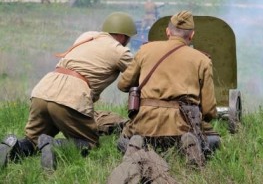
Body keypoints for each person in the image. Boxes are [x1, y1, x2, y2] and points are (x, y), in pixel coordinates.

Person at [0, 12, 136, 171]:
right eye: (128, 38)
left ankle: (13, 145)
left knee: (33, 141)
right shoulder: (120, 52)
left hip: (44, 89)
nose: (127, 42)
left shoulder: (87, 36)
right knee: (90, 144)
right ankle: (54, 145)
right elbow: (138, 76)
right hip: (71, 95)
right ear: (122, 36)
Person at [117, 10, 220, 167]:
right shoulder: (202, 60)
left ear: (167, 31)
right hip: (182, 124)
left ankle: (138, 143)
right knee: (213, 141)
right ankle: (187, 142)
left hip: (145, 121)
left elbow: (123, 85)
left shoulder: (145, 50)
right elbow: (209, 110)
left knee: (122, 140)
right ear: (191, 35)